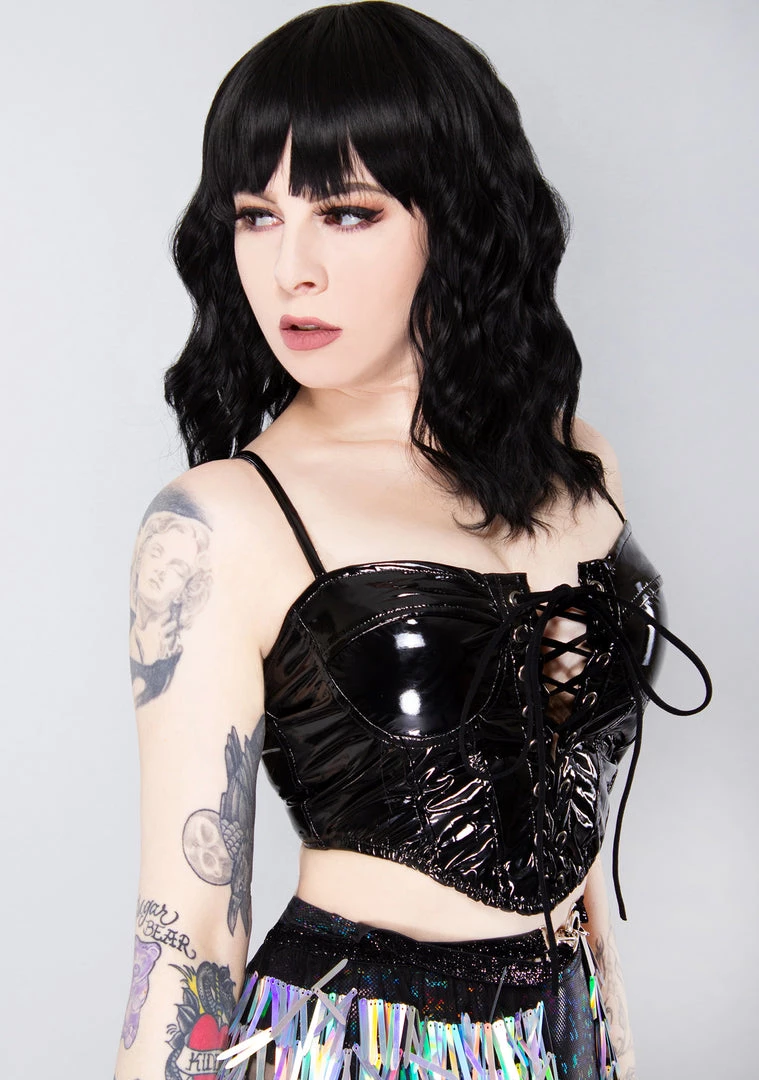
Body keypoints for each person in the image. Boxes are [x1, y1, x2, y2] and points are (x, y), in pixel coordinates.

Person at [113, 4, 711, 1079]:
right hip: (359, 1042)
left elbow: (568, 802)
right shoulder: (224, 520)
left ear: (459, 219)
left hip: (563, 1028)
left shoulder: (576, 462)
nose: (289, 268)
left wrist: (603, 1032)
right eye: (256, 215)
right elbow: (186, 932)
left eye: (346, 213)